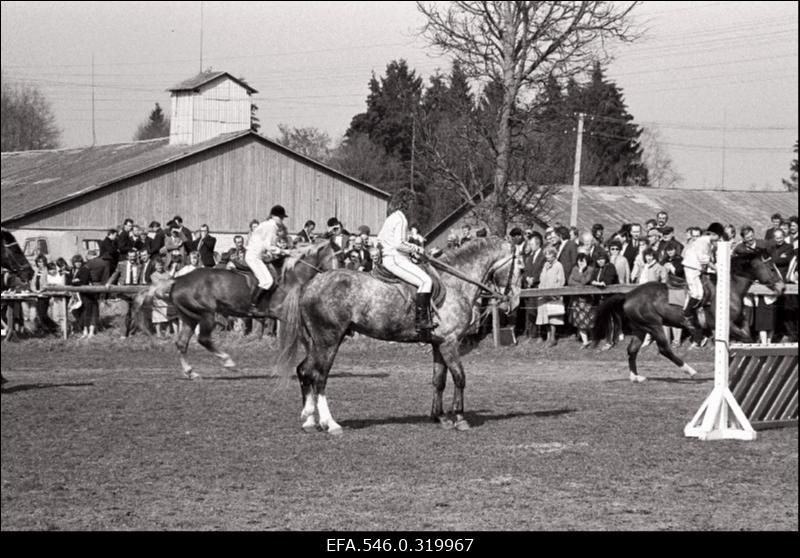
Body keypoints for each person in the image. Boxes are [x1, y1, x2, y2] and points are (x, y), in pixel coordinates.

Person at [377, 196, 435, 341]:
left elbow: (379, 239)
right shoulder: (402, 219)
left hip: (390, 257)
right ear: (408, 205)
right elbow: (399, 244)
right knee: (426, 281)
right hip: (395, 259)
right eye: (413, 206)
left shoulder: (392, 217)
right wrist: (416, 248)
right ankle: (421, 322)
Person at [681, 222, 725, 345]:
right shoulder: (703, 242)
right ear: (715, 234)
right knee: (697, 294)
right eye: (719, 236)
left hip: (696, 267)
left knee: (701, 293)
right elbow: (703, 259)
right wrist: (717, 269)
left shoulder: (707, 242)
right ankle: (687, 314)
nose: (719, 239)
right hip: (691, 266)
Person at [245, 205, 290, 315]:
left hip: (257, 255)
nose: (282, 220)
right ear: (275, 217)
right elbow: (269, 246)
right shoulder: (271, 226)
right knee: (267, 281)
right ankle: (252, 305)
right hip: (254, 257)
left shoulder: (266, 225)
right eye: (281, 218)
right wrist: (284, 252)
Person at [535, 246, 565, 347]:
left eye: (549, 254)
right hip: (544, 294)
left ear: (554, 255)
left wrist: (555, 292)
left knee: (553, 317)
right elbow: (542, 279)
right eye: (546, 254)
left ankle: (553, 338)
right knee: (545, 316)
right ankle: (547, 337)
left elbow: (561, 280)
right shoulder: (545, 265)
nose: (547, 256)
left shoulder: (558, 266)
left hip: (553, 295)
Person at [590, 252, 620, 350]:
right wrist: (596, 283)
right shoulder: (597, 269)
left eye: (602, 259)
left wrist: (597, 283)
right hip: (601, 298)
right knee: (606, 319)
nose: (600, 261)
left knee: (610, 319)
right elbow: (592, 280)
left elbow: (607, 282)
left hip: (611, 297)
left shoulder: (610, 267)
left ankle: (610, 341)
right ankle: (608, 338)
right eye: (598, 259)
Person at [567, 253, 595, 349]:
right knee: (579, 321)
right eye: (579, 261)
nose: (581, 263)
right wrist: (578, 281)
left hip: (587, 299)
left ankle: (593, 338)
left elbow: (585, 282)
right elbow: (569, 281)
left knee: (588, 320)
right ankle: (585, 341)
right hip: (576, 299)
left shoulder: (590, 270)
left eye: (583, 261)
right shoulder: (574, 269)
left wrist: (581, 271)